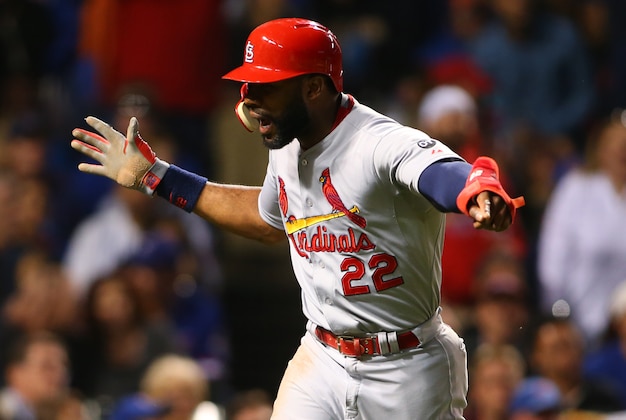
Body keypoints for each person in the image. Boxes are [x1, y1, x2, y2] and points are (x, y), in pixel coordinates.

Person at [70, 17, 524, 419]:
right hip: (322, 358)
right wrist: (157, 177)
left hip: (407, 367)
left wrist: (477, 193)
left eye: (267, 86)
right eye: (249, 86)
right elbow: (271, 221)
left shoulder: (378, 142)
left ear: (314, 87)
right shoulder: (288, 142)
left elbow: (445, 174)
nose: (250, 99)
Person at [537, 109, 626, 347]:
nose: (621, 151)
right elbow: (552, 257)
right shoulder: (577, 188)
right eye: (615, 143)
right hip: (579, 327)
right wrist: (558, 311)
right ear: (600, 148)